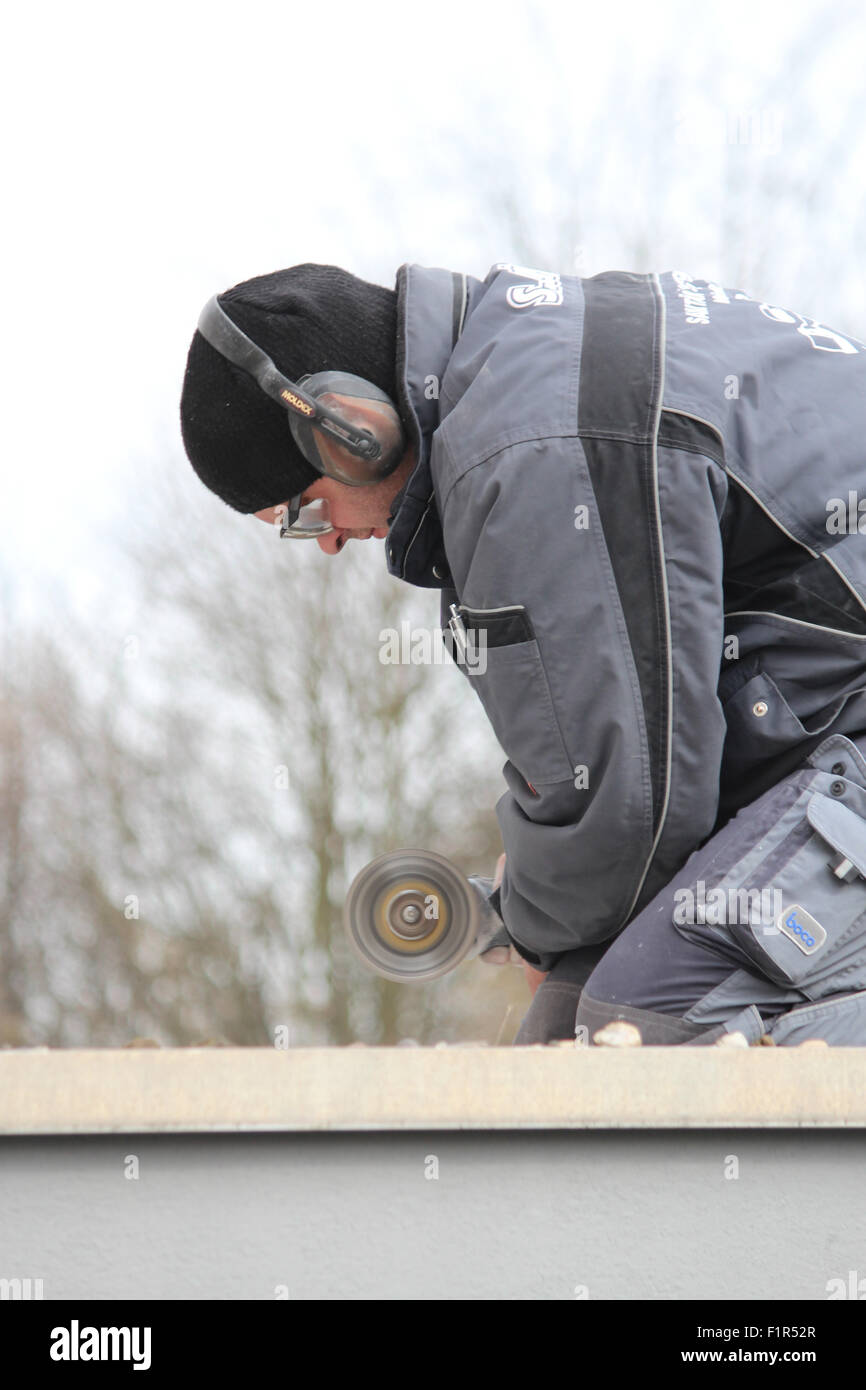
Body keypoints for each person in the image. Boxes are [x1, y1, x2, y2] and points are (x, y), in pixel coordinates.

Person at [180, 259, 866, 1046]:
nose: (327, 544)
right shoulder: (519, 387)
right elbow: (632, 768)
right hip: (831, 724)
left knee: (655, 1031)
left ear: (347, 429)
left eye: (302, 515)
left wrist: (540, 911)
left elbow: (624, 813)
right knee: (564, 1038)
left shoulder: (529, 449)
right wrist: (548, 912)